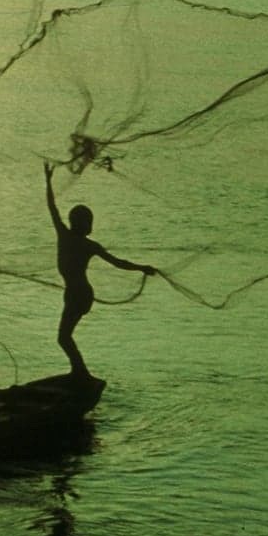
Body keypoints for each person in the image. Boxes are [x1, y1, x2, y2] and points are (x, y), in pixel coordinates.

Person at [45, 162, 156, 379]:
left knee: (63, 337)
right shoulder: (83, 243)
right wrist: (141, 267)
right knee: (64, 337)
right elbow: (118, 262)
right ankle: (80, 372)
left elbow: (52, 208)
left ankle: (81, 374)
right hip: (77, 294)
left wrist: (48, 181)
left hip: (78, 295)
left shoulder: (69, 237)